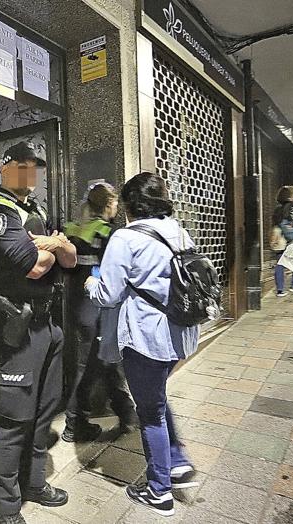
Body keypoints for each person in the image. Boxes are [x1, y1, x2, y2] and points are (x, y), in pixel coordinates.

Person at [85, 173, 200, 517]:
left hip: (146, 339)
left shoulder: (125, 237)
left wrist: (91, 282)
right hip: (180, 334)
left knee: (150, 412)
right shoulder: (178, 231)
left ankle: (159, 491)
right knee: (157, 399)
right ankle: (176, 462)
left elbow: (109, 294)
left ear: (130, 204)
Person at [0, 142, 77, 524]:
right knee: (15, 418)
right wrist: (55, 245)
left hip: (48, 326)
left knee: (44, 413)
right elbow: (32, 266)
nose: (29, 174)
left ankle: (34, 483)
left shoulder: (36, 210)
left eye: (34, 167)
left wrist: (55, 245)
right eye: (22, 166)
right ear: (4, 168)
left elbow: (69, 260)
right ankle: (4, 506)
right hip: (16, 328)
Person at [61, 182, 137, 443]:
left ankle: (123, 413)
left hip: (77, 306)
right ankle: (76, 422)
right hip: (98, 307)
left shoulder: (73, 230)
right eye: (115, 203)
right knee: (98, 362)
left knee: (98, 362)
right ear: (107, 205)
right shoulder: (108, 233)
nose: (117, 208)